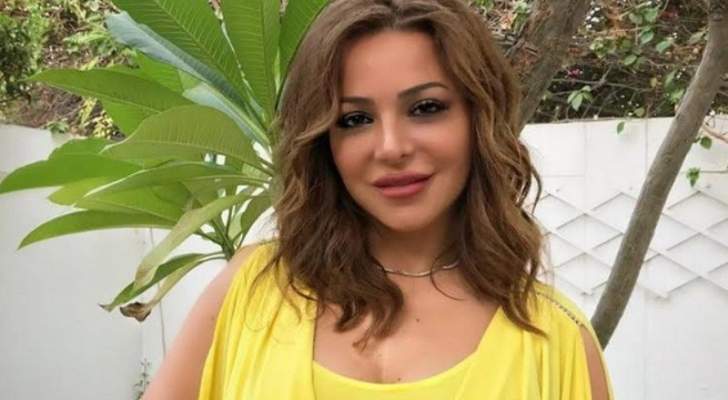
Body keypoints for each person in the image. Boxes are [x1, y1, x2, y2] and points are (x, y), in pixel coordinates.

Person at [143, 0, 615, 399]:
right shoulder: (249, 290)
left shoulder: (556, 340)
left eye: (426, 108)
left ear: (480, 119)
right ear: (323, 141)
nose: (391, 147)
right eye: (354, 120)